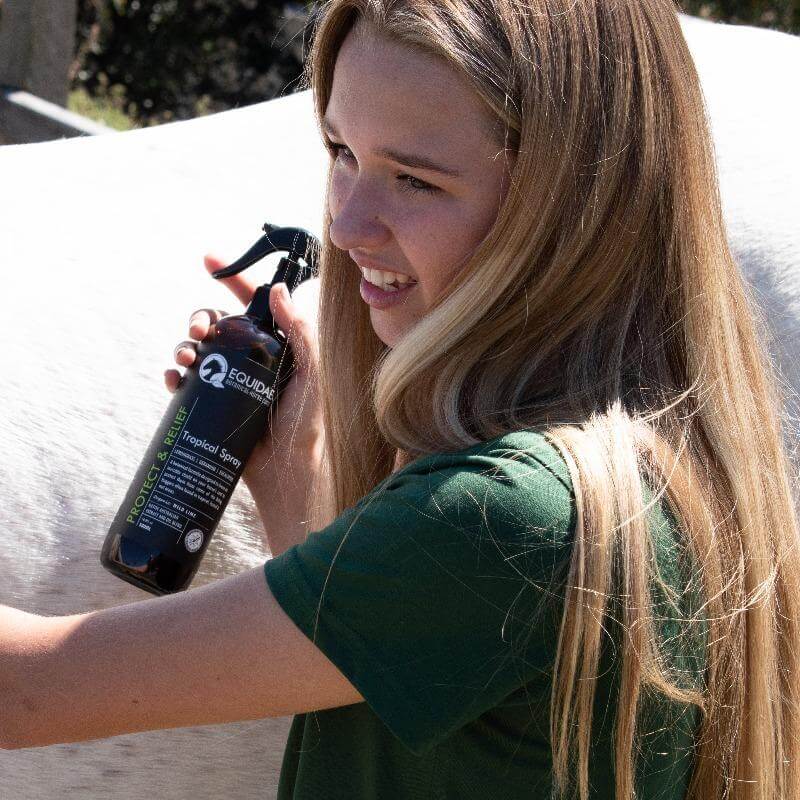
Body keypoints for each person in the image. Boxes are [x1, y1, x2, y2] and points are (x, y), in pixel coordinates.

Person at [2, 1, 799, 798]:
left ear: (570, 206)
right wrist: (293, 473)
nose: (345, 225)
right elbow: (386, 674)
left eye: (414, 178)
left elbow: (22, 695)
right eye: (341, 150)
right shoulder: (627, 470)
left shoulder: (501, 520)